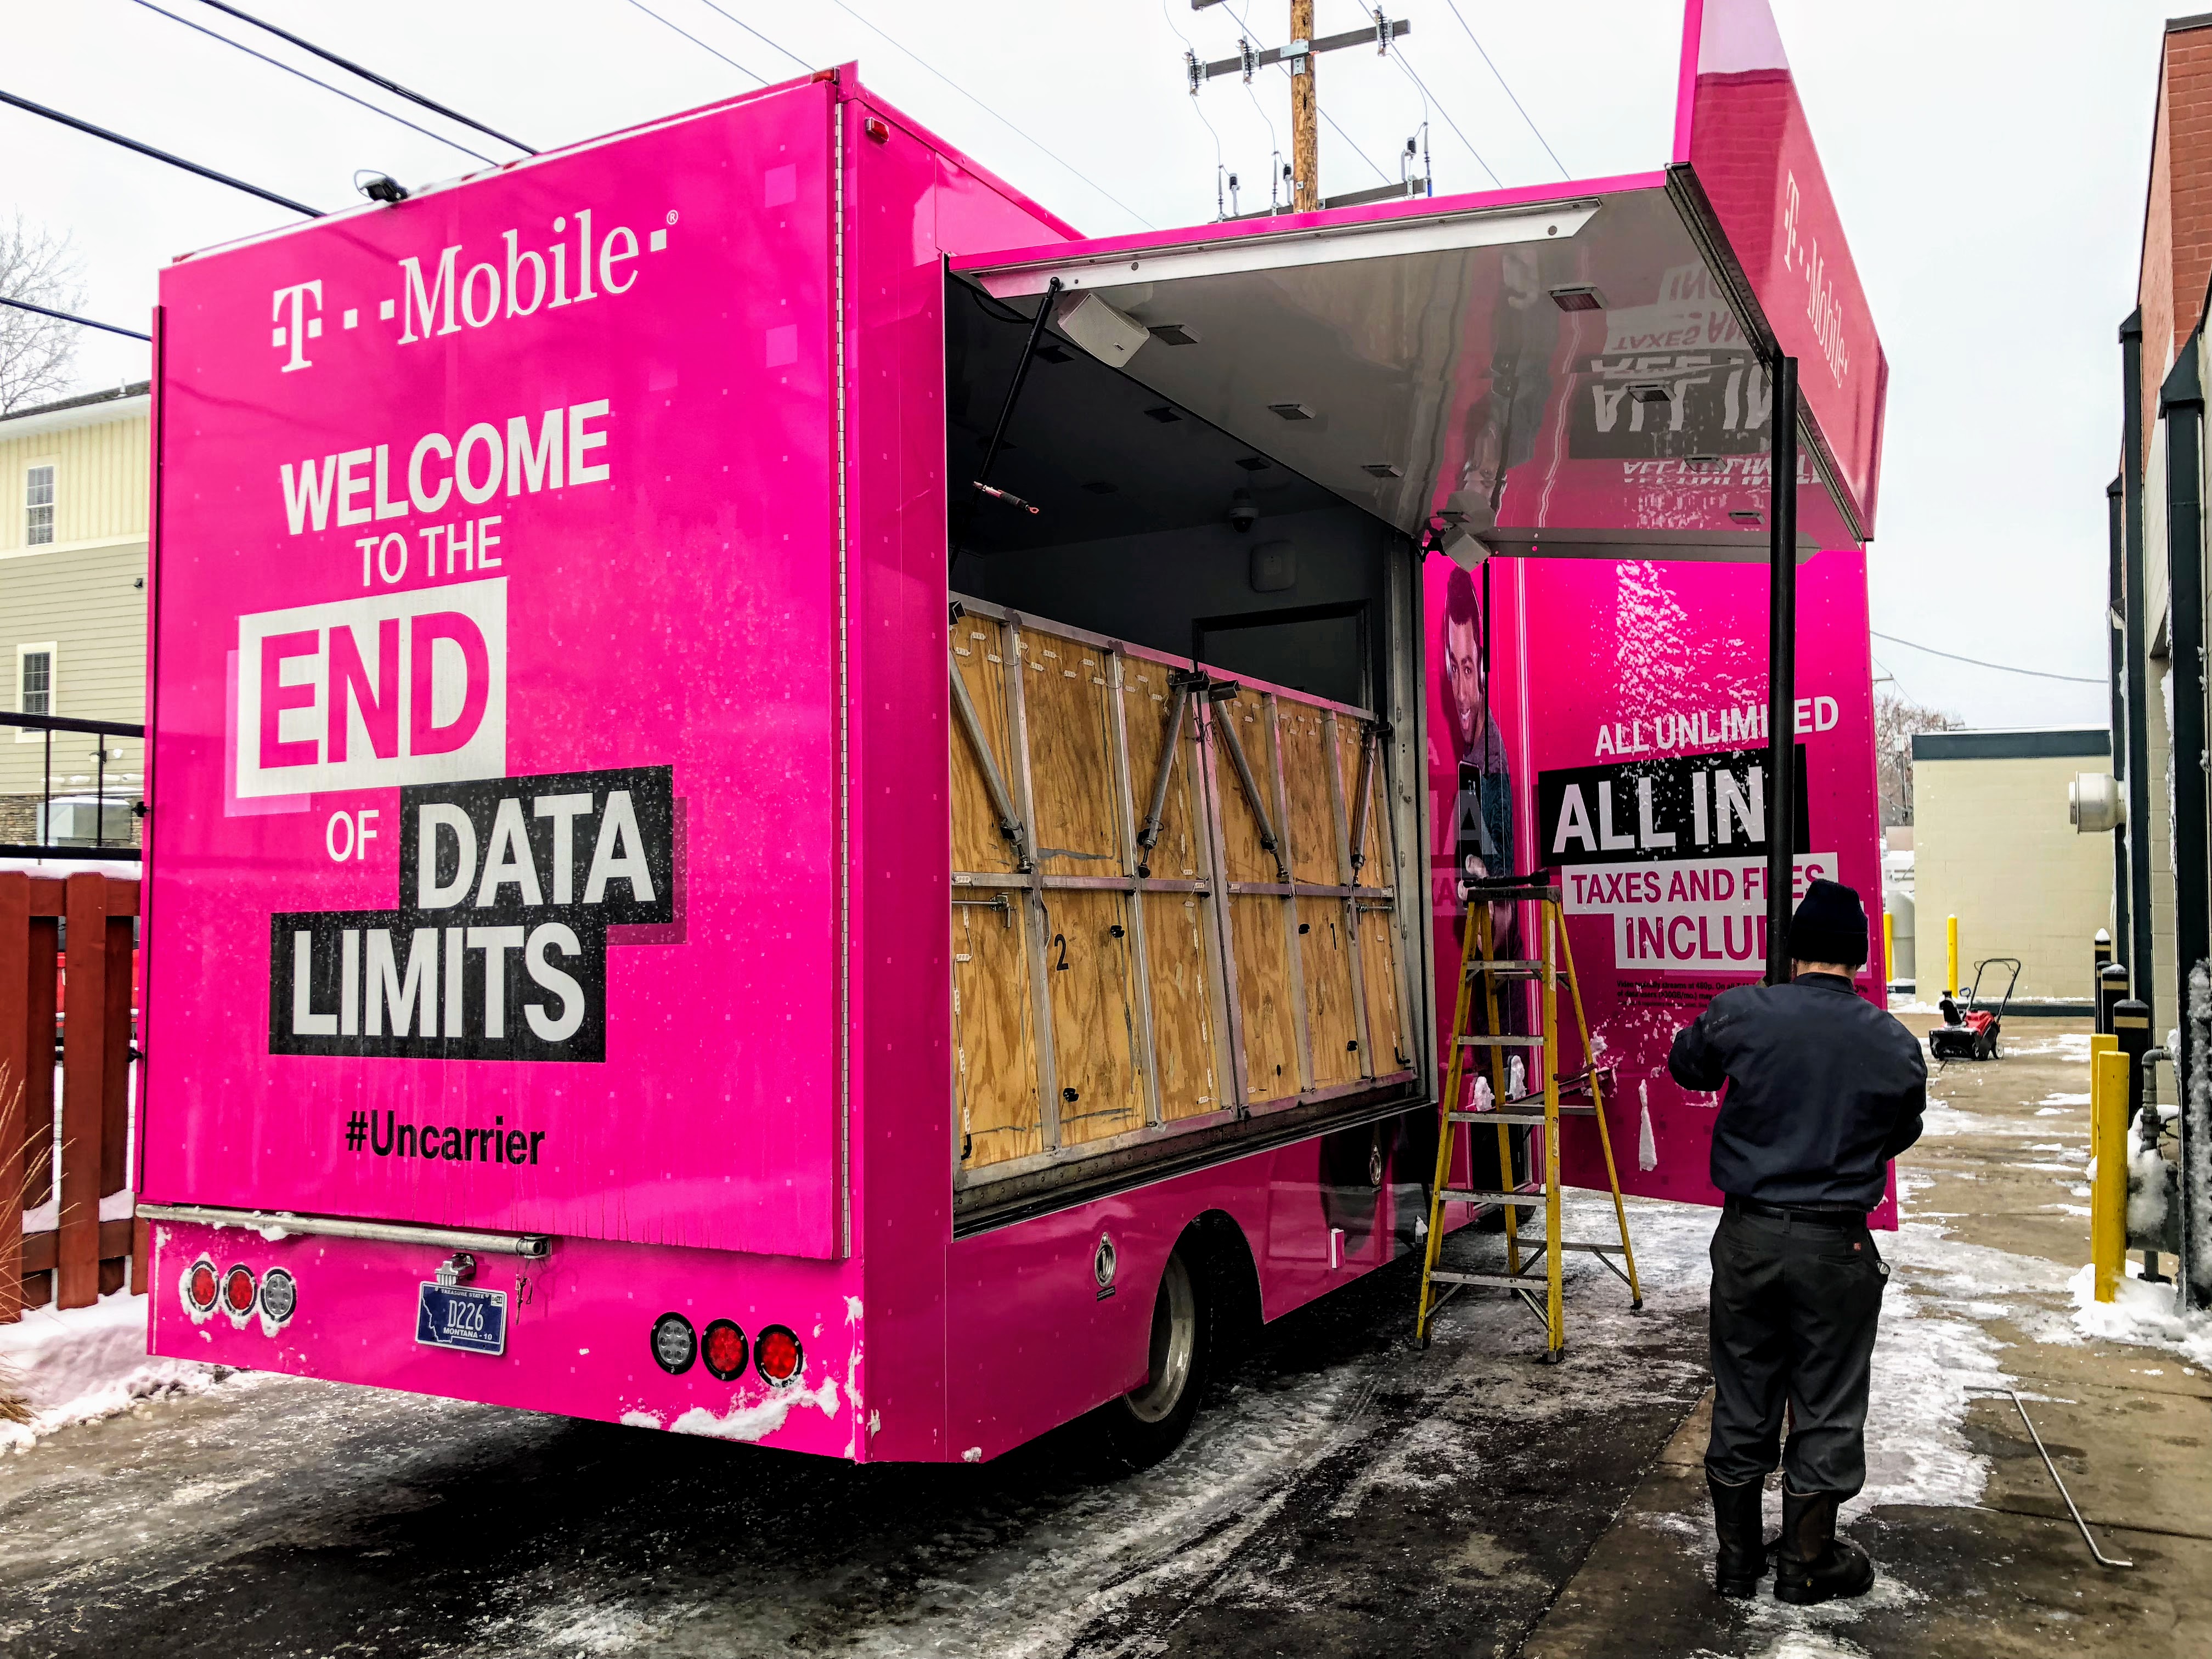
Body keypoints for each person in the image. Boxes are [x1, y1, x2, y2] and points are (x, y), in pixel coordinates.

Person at [1666, 878, 1926, 1606]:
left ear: (1793, 950)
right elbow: (1901, 1129)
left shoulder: (1744, 1012)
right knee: (1829, 1399)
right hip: (1835, 1245)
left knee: (1744, 1390)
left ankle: (1737, 1563)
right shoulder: (1891, 1042)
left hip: (1747, 1237)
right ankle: (1807, 1562)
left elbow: (1687, 1064)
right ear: (1861, 959)